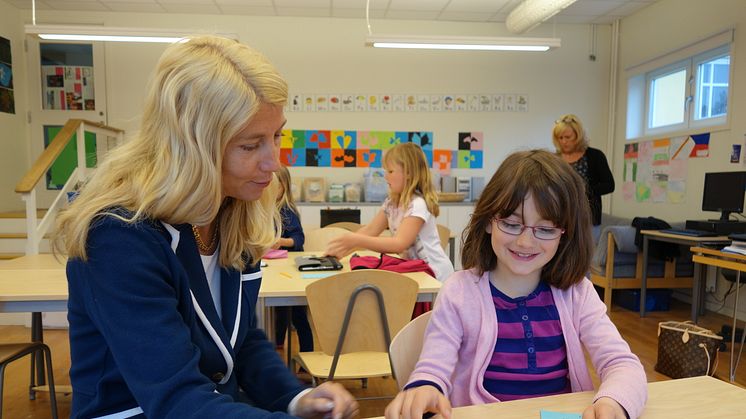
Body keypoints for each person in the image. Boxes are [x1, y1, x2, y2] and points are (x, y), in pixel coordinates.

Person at [54, 36, 357, 419]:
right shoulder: (118, 237)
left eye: (276, 136)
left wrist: (294, 399)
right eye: (250, 146)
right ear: (190, 145)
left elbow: (238, 338)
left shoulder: (231, 211)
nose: (273, 163)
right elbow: (176, 399)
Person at [385, 150, 647, 419]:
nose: (525, 242)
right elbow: (433, 368)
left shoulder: (577, 293)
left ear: (563, 234)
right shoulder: (459, 291)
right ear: (488, 221)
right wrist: (425, 387)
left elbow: (622, 364)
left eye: (545, 230)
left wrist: (614, 403)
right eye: (511, 224)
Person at [325, 142, 454, 282]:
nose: (385, 177)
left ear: (409, 173)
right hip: (417, 271)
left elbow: (399, 244)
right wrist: (342, 250)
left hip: (436, 275)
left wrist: (354, 239)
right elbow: (370, 230)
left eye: (390, 171)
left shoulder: (418, 204)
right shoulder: (391, 203)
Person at [552, 114, 614, 241]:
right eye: (560, 138)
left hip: (588, 218)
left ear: (578, 135)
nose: (564, 141)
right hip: (560, 217)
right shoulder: (554, 159)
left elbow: (609, 185)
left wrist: (582, 190)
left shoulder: (595, 156)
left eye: (568, 137)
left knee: (586, 256)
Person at [272, 165, 314, 353]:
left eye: (274, 186)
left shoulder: (287, 211)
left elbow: (299, 239)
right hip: (277, 269)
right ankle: (279, 346)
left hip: (292, 270)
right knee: (279, 313)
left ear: (284, 187)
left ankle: (307, 358)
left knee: (298, 316)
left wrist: (280, 241)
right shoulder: (266, 208)